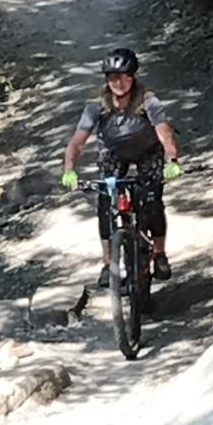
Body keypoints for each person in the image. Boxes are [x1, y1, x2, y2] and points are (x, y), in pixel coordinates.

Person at [61, 48, 180, 288]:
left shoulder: (148, 101)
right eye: (113, 76)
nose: (119, 82)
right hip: (113, 154)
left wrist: (172, 161)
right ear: (106, 79)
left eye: (124, 76)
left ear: (133, 76)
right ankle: (108, 263)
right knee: (105, 204)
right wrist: (69, 168)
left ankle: (159, 253)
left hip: (148, 152)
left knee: (153, 199)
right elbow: (78, 140)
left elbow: (165, 134)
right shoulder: (97, 105)